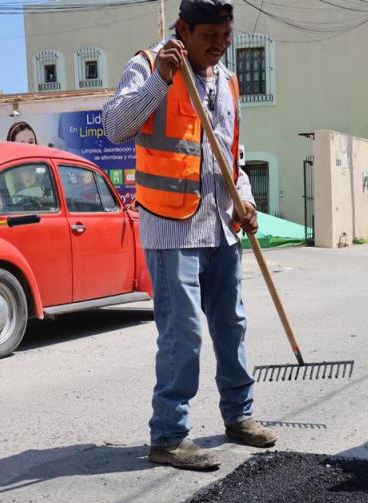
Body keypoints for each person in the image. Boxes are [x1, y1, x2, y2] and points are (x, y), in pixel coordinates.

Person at [102, 0, 276, 472]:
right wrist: (160, 80)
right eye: (209, 39)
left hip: (221, 223)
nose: (219, 48)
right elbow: (116, 127)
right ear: (183, 30)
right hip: (171, 224)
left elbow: (229, 152)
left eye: (226, 38)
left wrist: (246, 199)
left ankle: (239, 416)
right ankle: (169, 435)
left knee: (231, 325)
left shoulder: (228, 82)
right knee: (183, 335)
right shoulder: (145, 66)